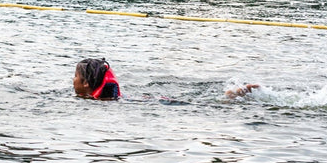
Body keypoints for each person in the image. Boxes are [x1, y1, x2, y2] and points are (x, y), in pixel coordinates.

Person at [72, 57, 260, 102]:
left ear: (86, 84)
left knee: (202, 103)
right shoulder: (107, 98)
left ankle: (230, 96)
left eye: (76, 76)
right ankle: (233, 94)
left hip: (151, 102)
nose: (73, 80)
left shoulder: (102, 102)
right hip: (145, 99)